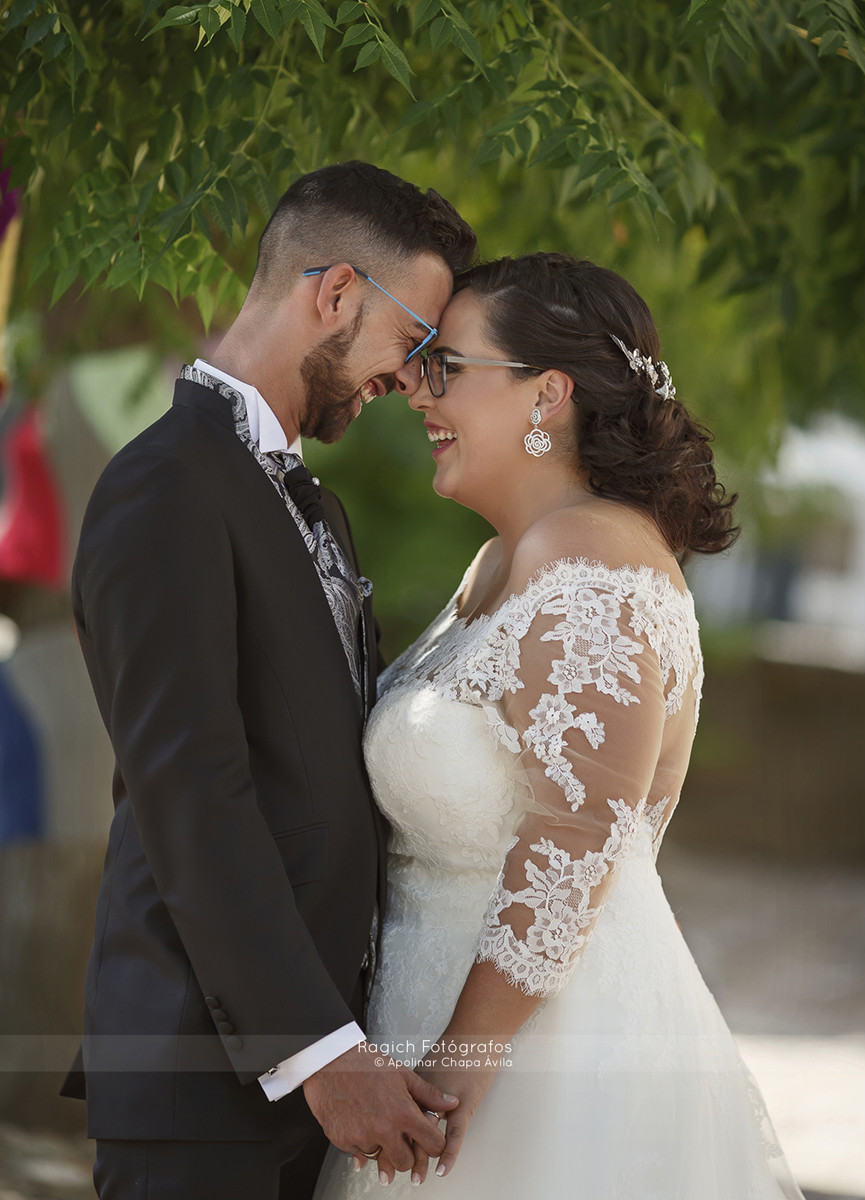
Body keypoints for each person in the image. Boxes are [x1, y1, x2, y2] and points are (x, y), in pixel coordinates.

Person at [315, 253, 806, 1198]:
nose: (417, 388)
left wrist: (462, 1064)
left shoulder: (584, 556)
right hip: (434, 1018)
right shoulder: (505, 559)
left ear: (546, 394)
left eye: (447, 365)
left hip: (535, 1067)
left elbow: (578, 839)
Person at [61, 161, 478, 1200]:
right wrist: (318, 1052)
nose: (414, 377)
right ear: (334, 293)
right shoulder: (161, 485)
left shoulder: (311, 505)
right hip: (203, 1082)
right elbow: (190, 789)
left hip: (308, 1088)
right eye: (412, 341)